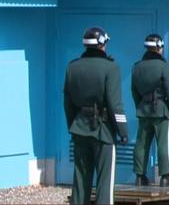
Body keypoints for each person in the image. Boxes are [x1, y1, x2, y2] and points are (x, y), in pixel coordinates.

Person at [64, 27, 128, 204]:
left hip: (79, 128)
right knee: (104, 181)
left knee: (80, 179)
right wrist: (122, 131)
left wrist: (73, 126)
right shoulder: (111, 68)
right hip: (103, 130)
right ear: (101, 45)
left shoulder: (72, 67)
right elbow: (115, 105)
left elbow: (67, 104)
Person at [131, 34, 169, 187]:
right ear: (159, 47)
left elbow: (134, 91)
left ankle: (140, 176)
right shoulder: (165, 66)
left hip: (143, 109)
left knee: (142, 143)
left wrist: (140, 106)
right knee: (162, 144)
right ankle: (165, 176)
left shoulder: (137, 66)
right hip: (161, 110)